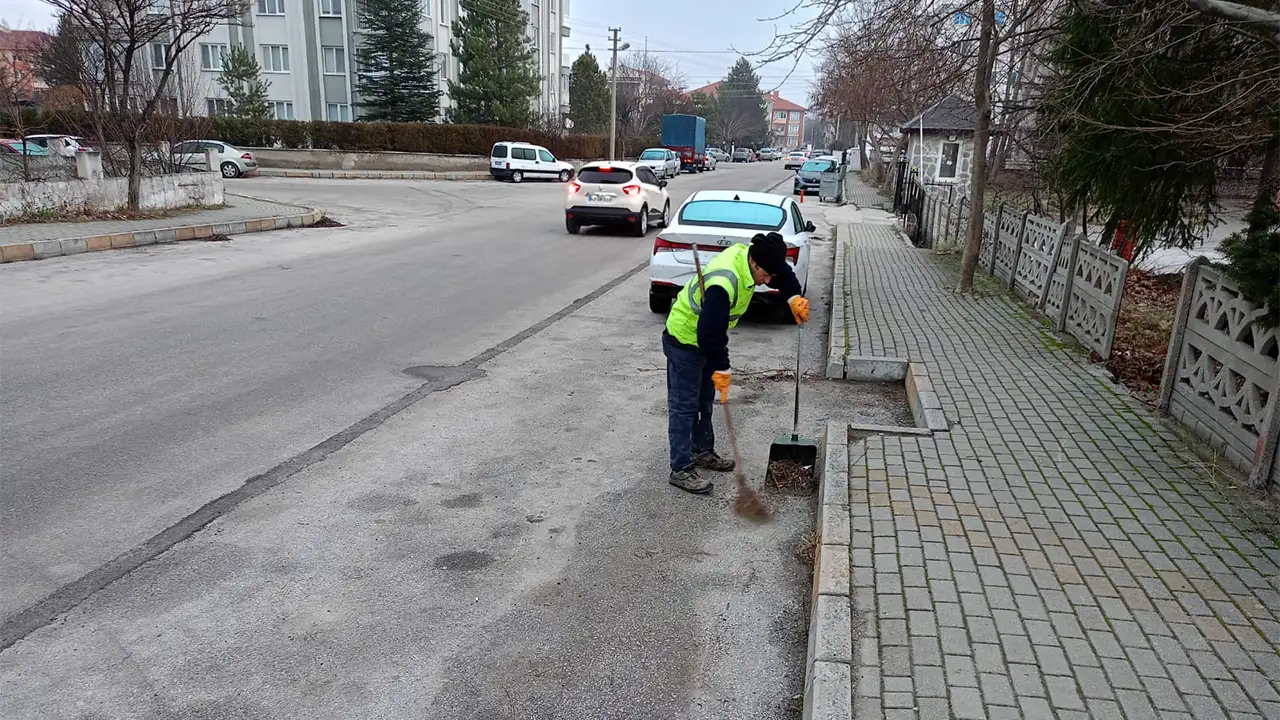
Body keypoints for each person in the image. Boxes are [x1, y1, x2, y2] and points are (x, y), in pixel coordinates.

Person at [661, 233, 810, 494]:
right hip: (685, 338)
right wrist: (722, 367)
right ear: (754, 264)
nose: (767, 282)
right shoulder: (723, 281)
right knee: (684, 406)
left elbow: (782, 271)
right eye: (765, 276)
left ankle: (701, 451)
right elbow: (709, 334)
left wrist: (793, 297)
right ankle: (681, 468)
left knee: (705, 400)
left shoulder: (758, 256)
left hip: (707, 337)